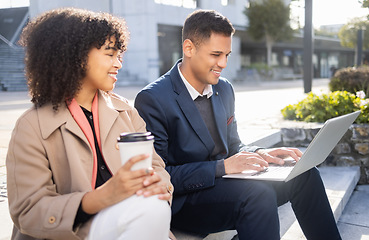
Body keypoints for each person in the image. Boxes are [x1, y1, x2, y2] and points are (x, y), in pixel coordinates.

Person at [135, 9, 342, 240]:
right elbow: (159, 175)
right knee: (257, 195)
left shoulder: (224, 88)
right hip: (185, 202)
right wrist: (222, 168)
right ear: (189, 48)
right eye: (216, 54)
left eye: (227, 55)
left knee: (304, 175)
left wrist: (262, 153)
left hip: (226, 186)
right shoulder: (153, 99)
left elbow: (234, 146)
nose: (223, 63)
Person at [6, 8, 174, 240]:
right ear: (73, 55)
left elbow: (157, 168)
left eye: (119, 55)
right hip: (75, 232)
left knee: (152, 208)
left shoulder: (126, 111)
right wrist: (99, 199)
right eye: (109, 54)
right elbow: (28, 211)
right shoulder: (31, 126)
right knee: (151, 211)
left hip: (136, 219)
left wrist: (158, 186)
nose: (118, 64)